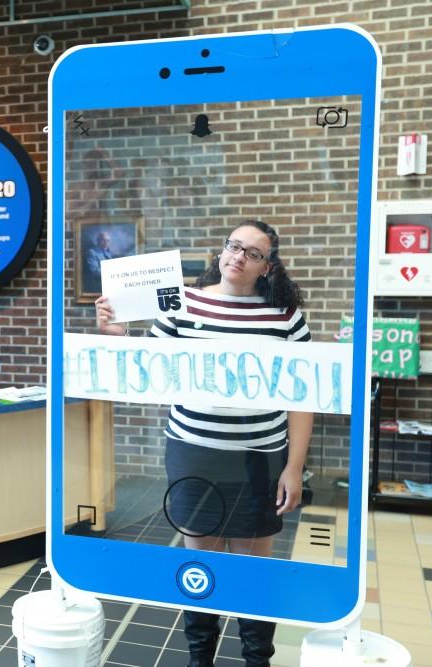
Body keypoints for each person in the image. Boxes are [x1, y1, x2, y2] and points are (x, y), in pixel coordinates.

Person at [95, 220, 313, 667]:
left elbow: (303, 395)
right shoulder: (182, 303)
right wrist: (118, 336)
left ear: (267, 266)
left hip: (260, 458)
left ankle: (257, 659)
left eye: (252, 253)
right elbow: (152, 367)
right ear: (221, 251)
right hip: (194, 451)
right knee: (201, 566)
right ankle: (200, 658)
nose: (238, 256)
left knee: (253, 568)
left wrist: (294, 467)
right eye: (234, 246)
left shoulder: (284, 317)